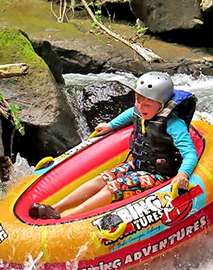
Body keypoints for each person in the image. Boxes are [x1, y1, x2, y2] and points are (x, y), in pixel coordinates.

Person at [29, 72, 198, 220]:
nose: (140, 107)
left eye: (146, 104)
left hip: (160, 175)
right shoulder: (140, 110)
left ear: (161, 104)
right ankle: (56, 208)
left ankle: (66, 217)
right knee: (102, 179)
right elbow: (129, 113)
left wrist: (183, 174)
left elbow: (190, 153)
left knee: (114, 187)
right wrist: (110, 125)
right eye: (138, 101)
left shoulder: (174, 124)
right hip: (137, 164)